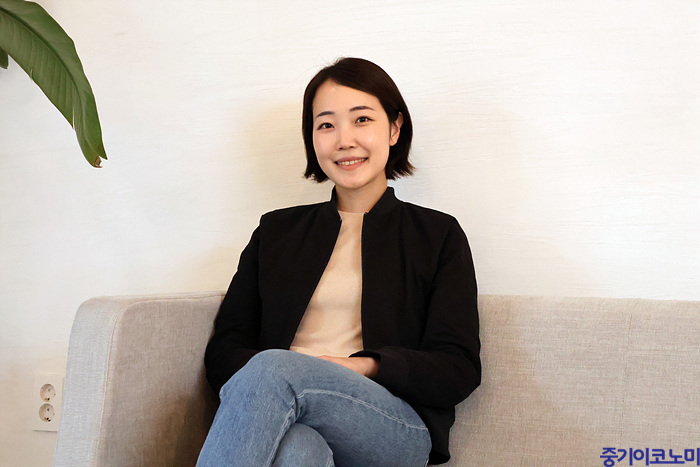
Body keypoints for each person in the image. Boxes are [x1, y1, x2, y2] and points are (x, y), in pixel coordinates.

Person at [197, 57, 480, 467]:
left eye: (362, 119)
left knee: (273, 369)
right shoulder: (276, 231)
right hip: (285, 405)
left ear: (395, 128)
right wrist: (288, 374)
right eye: (326, 125)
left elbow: (458, 367)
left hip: (393, 425)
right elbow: (224, 350)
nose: (344, 140)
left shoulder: (437, 235)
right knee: (298, 451)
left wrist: (365, 366)